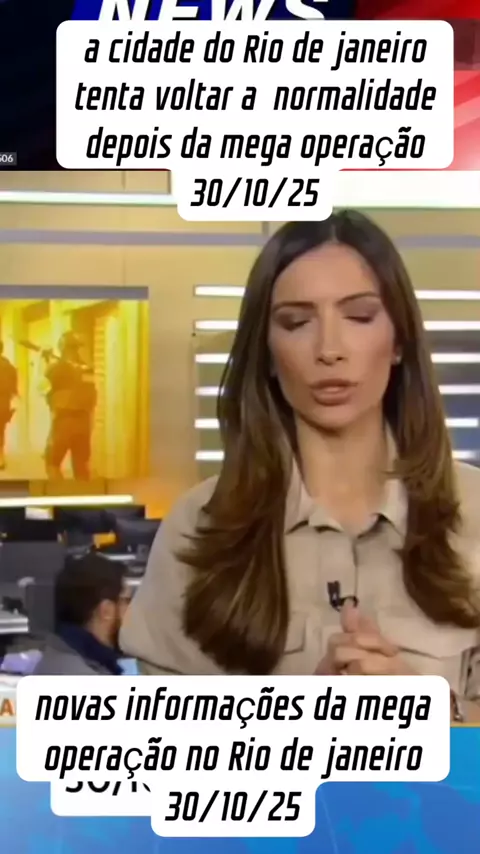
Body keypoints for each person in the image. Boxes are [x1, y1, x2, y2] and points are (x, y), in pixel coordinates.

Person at [120, 212, 480, 722]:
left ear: (399, 341)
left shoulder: (474, 511)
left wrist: (436, 715)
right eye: (296, 323)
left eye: (359, 317)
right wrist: (300, 721)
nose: (329, 350)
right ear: (267, 352)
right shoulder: (199, 527)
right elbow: (164, 743)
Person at [33, 552, 132, 675]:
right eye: (127, 601)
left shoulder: (55, 658)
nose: (131, 610)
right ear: (106, 611)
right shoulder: (87, 678)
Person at [43, 331, 97, 480]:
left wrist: (45, 363)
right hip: (84, 422)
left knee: (52, 463)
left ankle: (59, 492)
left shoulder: (55, 369)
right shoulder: (88, 369)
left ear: (62, 347)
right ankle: (83, 493)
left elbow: (41, 388)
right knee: (81, 466)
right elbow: (92, 396)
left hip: (63, 421)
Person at [0, 341, 17, 469]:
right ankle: (1, 457)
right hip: (4, 402)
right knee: (1, 430)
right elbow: (14, 389)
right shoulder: (10, 367)